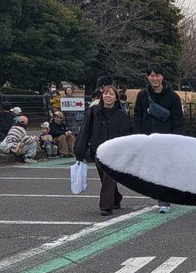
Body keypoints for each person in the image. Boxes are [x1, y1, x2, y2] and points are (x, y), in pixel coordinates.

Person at [133, 66, 185, 213]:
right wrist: (138, 136)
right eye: (151, 75)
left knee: (164, 170)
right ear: (147, 77)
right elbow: (137, 117)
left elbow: (178, 120)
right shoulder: (142, 96)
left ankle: (164, 201)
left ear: (162, 77)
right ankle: (162, 194)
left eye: (157, 75)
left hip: (166, 140)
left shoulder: (173, 97)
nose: (154, 78)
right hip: (148, 139)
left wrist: (176, 139)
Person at [75, 83, 133, 215]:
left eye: (111, 94)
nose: (108, 96)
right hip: (98, 150)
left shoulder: (122, 116)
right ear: (102, 96)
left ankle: (106, 206)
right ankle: (116, 198)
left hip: (115, 153)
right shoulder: (94, 111)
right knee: (105, 178)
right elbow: (85, 131)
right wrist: (80, 151)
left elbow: (127, 136)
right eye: (106, 93)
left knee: (109, 177)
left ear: (116, 98)